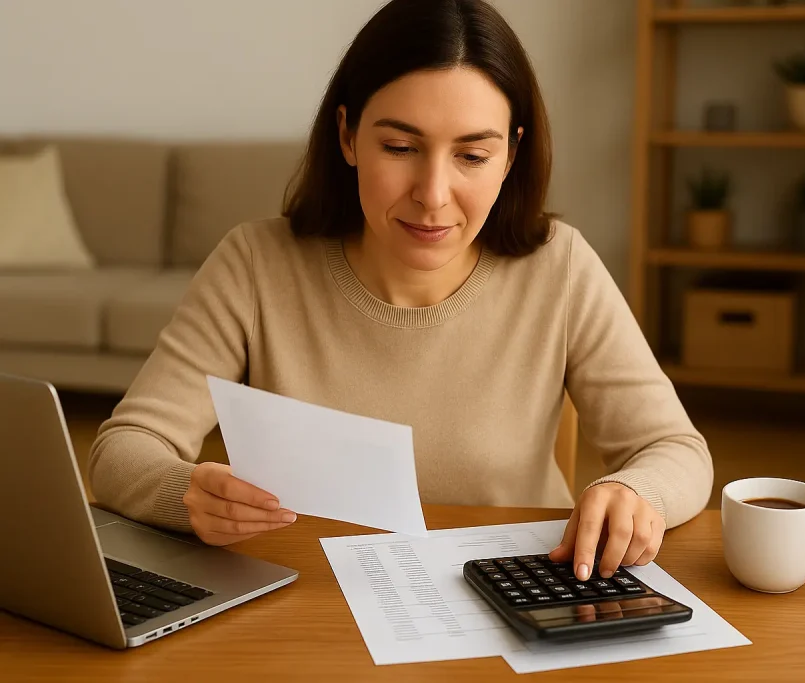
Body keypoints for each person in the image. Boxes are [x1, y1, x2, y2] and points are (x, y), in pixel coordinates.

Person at [88, 0, 713, 583]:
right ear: (348, 136)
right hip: (307, 599)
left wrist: (636, 494)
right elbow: (122, 450)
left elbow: (675, 450)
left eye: (471, 156)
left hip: (513, 595)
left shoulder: (560, 266)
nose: (433, 193)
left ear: (511, 156)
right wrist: (187, 493)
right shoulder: (256, 263)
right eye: (400, 147)